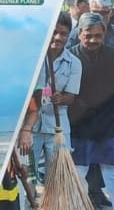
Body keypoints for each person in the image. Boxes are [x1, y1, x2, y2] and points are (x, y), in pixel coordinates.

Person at [68, 13, 114, 210]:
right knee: (77, 174)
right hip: (79, 126)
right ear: (79, 34)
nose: (93, 40)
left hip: (110, 124)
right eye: (88, 36)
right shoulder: (70, 57)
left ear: (104, 34)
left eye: (98, 35)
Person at [20, 13, 81, 180]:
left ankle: (53, 207)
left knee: (58, 178)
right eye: (54, 32)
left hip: (57, 126)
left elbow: (72, 96)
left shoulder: (74, 63)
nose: (58, 37)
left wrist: (61, 98)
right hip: (31, 127)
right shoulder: (33, 59)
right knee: (26, 176)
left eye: (63, 33)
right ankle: (31, 206)